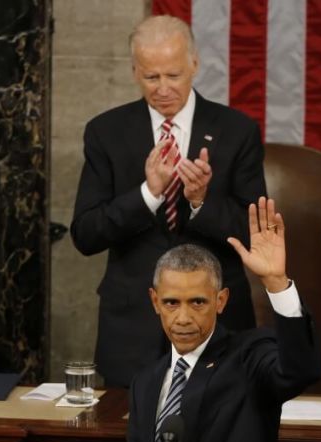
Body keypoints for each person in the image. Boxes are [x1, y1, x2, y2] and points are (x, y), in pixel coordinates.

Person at [99, 197, 321, 442]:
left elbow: (298, 371)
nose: (184, 317)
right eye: (172, 303)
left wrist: (277, 282)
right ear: (155, 302)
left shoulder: (249, 354)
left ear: (221, 301)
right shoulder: (147, 381)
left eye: (198, 302)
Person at [70, 15, 264, 387]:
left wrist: (201, 202)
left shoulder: (237, 131)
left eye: (173, 76)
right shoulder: (105, 132)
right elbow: (86, 234)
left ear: (194, 63)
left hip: (217, 324)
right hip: (132, 328)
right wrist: (148, 194)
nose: (162, 89)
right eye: (151, 77)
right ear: (134, 71)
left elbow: (253, 233)